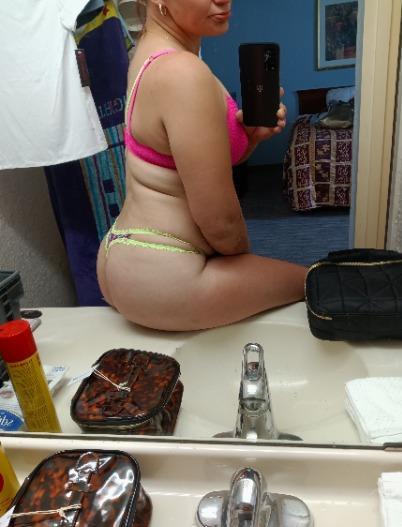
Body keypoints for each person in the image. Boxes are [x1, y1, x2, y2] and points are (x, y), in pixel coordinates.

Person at [97, 0, 307, 331]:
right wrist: (244, 265)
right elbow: (221, 224)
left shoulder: (148, 54)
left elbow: (181, 166)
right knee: (313, 282)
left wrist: (250, 139)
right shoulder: (183, 72)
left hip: (130, 255)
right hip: (167, 275)